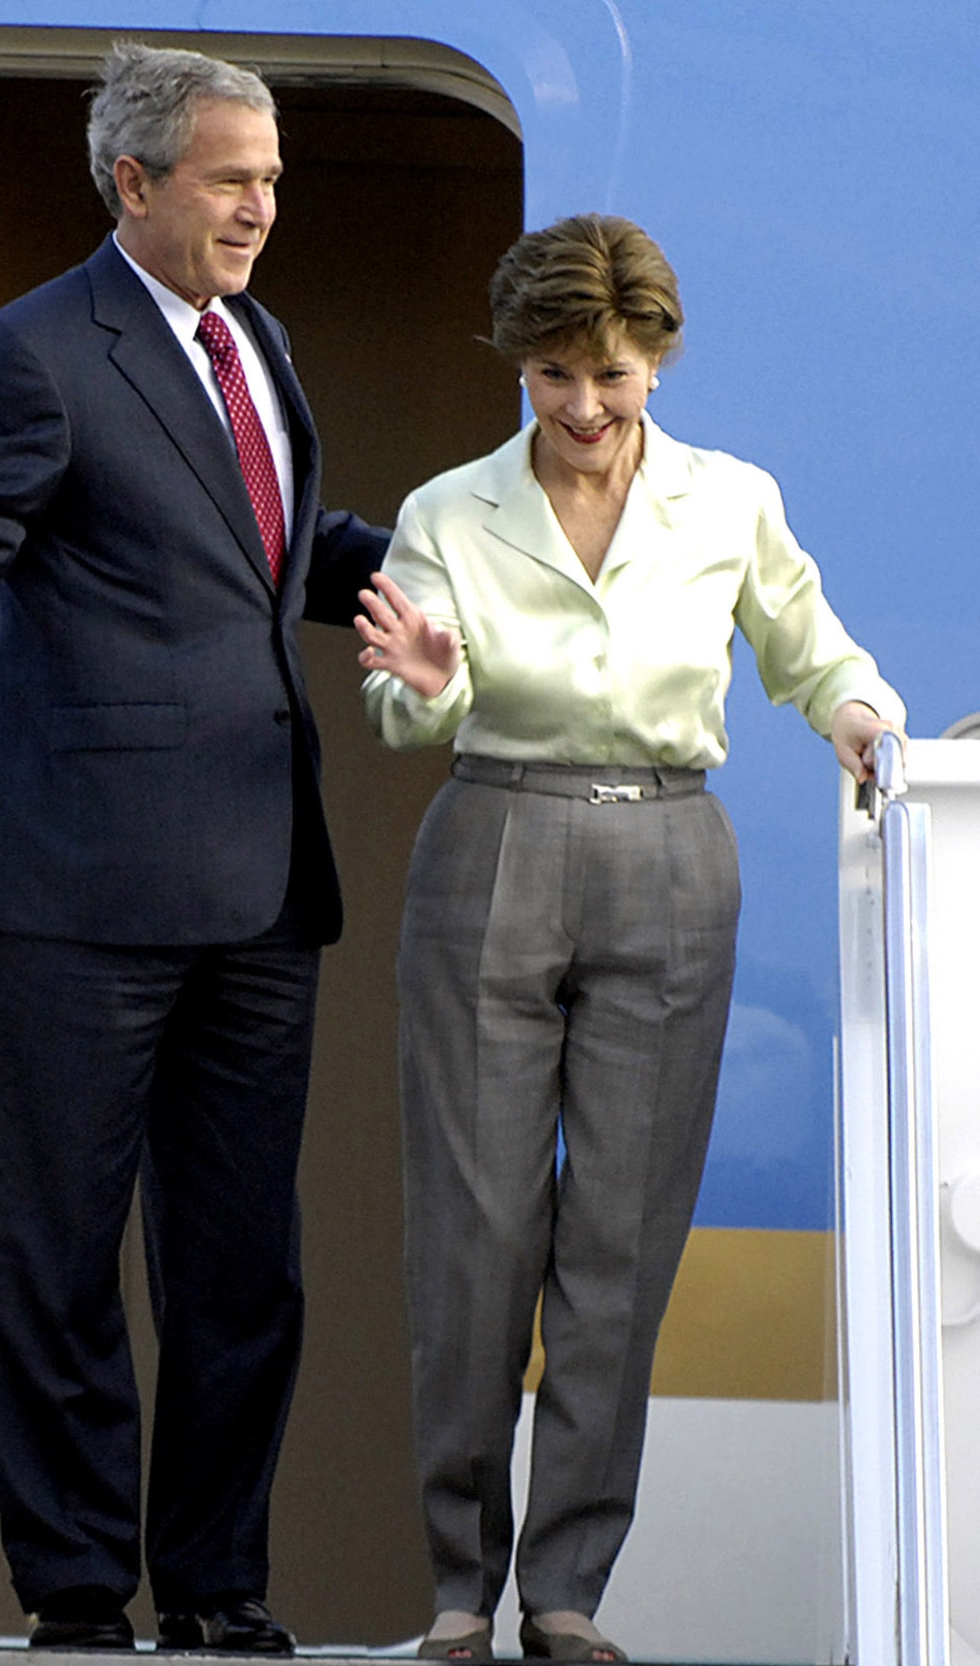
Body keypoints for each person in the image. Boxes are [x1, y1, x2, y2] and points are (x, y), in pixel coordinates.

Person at [0, 42, 387, 1654]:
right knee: (62, 1256)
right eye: (232, 179)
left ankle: (218, 1587)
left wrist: (418, 582)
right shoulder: (35, 350)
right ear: (133, 181)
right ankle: (78, 1590)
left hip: (262, 878)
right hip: (82, 883)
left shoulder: (257, 342)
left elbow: (274, 554)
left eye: (273, 181)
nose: (262, 209)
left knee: (243, 1271)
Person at [354, 213, 904, 1665]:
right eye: (550, 376)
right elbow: (406, 714)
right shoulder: (448, 513)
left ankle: (567, 1591)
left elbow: (812, 648)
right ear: (516, 369)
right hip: (494, 840)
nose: (584, 408)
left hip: (671, 850)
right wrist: (420, 682)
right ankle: (460, 1589)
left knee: (622, 1239)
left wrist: (860, 718)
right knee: (474, 1241)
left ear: (656, 357)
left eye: (609, 372)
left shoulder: (730, 501)